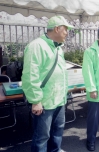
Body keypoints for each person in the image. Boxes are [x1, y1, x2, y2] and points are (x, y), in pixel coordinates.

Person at [22, 15, 74, 152]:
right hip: (44, 101)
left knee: (57, 133)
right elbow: (29, 76)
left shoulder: (58, 48)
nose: (67, 33)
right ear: (57, 29)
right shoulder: (36, 46)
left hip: (59, 100)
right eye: (65, 29)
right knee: (41, 138)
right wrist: (35, 100)